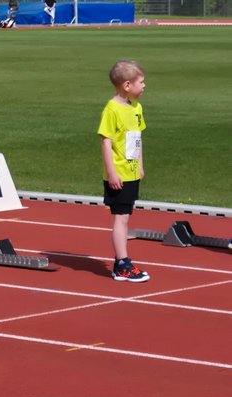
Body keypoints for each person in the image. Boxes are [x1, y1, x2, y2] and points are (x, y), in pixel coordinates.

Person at [97, 60, 150, 283]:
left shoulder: (137, 108)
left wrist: (140, 164)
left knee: (125, 217)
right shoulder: (112, 109)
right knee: (121, 219)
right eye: (141, 82)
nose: (144, 86)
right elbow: (106, 142)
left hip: (131, 172)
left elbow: (137, 139)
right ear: (127, 85)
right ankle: (122, 264)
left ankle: (121, 261)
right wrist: (112, 172)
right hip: (119, 173)